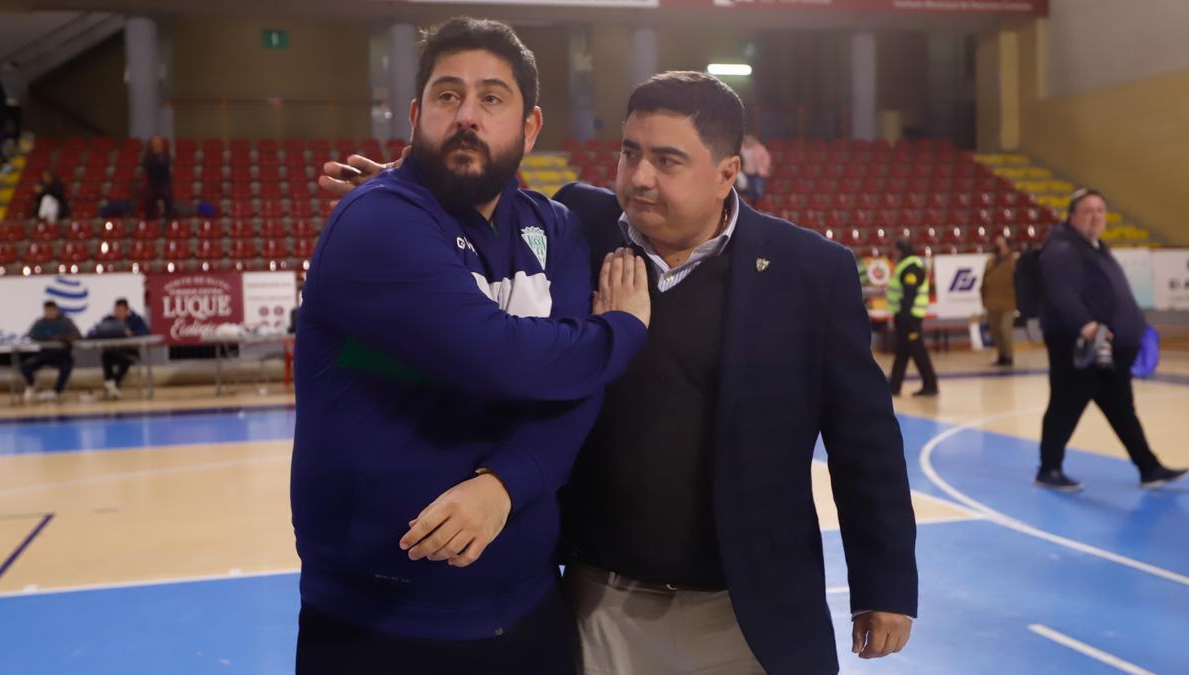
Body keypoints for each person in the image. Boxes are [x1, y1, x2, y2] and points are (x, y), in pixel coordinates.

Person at [323, 71, 918, 675]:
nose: (639, 178)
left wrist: (885, 584)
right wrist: (418, 204)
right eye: (630, 153)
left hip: (751, 608)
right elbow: (482, 224)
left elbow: (863, 438)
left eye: (667, 160)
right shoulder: (577, 222)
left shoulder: (810, 270)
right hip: (600, 600)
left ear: (726, 173)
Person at [291, 18, 649, 675]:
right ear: (416, 114)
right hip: (377, 622)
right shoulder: (375, 221)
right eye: (447, 95)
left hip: (530, 606)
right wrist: (621, 329)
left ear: (530, 126)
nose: (466, 115)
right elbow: (498, 355)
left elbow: (574, 391)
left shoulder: (557, 229)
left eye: (491, 98)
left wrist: (507, 485)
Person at [1036, 188, 1186, 491]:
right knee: (1065, 406)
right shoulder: (1063, 248)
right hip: (1082, 346)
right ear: (1072, 216)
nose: (1095, 217)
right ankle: (1048, 469)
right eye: (1088, 210)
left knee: (1121, 409)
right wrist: (1086, 325)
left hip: (1109, 350)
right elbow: (1061, 292)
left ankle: (1148, 466)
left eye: (1100, 210)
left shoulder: (1094, 247)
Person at [886, 239, 938, 397]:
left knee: (918, 351)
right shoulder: (905, 265)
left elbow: (910, 293)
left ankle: (930, 385)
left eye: (894, 249)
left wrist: (904, 316)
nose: (892, 253)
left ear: (900, 250)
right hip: (905, 316)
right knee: (902, 352)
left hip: (909, 317)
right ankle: (894, 386)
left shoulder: (911, 267)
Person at [87, 298, 150, 400]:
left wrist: (132, 334)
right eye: (116, 310)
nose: (118, 313)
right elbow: (96, 332)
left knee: (127, 359)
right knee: (106, 356)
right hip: (113, 351)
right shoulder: (107, 320)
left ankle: (112, 385)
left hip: (130, 352)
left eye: (121, 310)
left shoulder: (136, 320)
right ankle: (112, 386)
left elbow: (145, 333)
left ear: (127, 310)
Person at [21, 301, 81, 403]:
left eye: (52, 310)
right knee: (26, 365)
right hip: (44, 354)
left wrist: (61, 338)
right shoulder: (39, 322)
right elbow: (30, 335)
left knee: (67, 364)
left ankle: (57, 391)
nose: (49, 313)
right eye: (47, 311)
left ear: (56, 310)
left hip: (62, 354)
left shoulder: (66, 322)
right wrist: (41, 338)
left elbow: (77, 335)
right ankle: (32, 384)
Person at [981, 234, 1017, 366]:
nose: (997, 246)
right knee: (995, 331)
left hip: (1008, 302)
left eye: (1000, 244)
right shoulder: (990, 262)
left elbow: (1019, 282)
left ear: (1007, 246)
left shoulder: (1013, 262)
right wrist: (983, 298)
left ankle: (1009, 355)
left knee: (1005, 329)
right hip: (992, 302)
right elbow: (984, 281)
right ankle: (1001, 355)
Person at [142, 136, 174, 219]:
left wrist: (159, 159)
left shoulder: (166, 155)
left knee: (168, 198)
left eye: (158, 143)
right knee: (149, 200)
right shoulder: (148, 156)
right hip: (152, 183)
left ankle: (169, 220)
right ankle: (149, 221)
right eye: (155, 143)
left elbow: (165, 166)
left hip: (164, 183)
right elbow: (147, 167)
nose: (157, 145)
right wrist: (157, 162)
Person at [740, 133, 772, 205]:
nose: (749, 141)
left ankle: (759, 206)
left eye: (750, 140)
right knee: (748, 192)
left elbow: (766, 158)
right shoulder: (742, 148)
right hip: (745, 173)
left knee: (758, 191)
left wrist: (764, 166)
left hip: (757, 173)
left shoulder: (760, 148)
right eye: (747, 140)